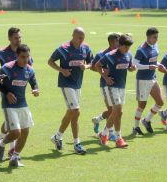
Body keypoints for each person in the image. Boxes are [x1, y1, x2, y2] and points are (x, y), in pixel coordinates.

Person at [48, 27, 93, 155]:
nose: (81, 40)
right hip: (66, 83)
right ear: (72, 36)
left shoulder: (86, 48)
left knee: (71, 112)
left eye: (83, 37)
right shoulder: (63, 48)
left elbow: (92, 62)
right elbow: (50, 61)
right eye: (79, 37)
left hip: (78, 84)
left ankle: (57, 136)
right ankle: (77, 143)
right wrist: (62, 70)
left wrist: (87, 66)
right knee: (76, 111)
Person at [0, 27, 33, 158]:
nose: (18, 39)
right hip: (5, 89)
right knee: (13, 122)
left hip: (19, 90)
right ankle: (7, 146)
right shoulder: (2, 52)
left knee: (11, 121)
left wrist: (32, 86)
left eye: (20, 37)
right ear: (9, 38)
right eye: (15, 37)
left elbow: (29, 70)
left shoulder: (24, 52)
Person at [0, 44, 39, 167]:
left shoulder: (29, 69)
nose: (25, 59)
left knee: (25, 131)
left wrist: (35, 90)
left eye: (27, 57)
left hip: (23, 104)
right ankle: (0, 145)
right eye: (23, 57)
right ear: (17, 56)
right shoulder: (7, 68)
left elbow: (34, 82)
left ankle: (15, 157)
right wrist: (6, 92)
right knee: (16, 133)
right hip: (9, 105)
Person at [95, 34, 136, 148]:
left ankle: (103, 134)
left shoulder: (128, 55)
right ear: (120, 45)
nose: (127, 50)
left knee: (119, 112)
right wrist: (106, 77)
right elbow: (97, 65)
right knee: (117, 109)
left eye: (129, 48)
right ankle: (119, 138)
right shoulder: (110, 55)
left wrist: (132, 68)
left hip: (122, 87)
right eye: (125, 47)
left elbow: (129, 66)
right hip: (111, 87)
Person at [132, 27, 167, 135]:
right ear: (148, 37)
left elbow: (154, 61)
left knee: (160, 101)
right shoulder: (141, 49)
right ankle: (135, 127)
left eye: (157, 37)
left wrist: (159, 64)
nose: (156, 39)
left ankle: (146, 120)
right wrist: (148, 66)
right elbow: (135, 64)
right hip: (142, 80)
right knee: (142, 105)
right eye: (154, 37)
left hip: (152, 78)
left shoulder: (155, 46)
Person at [91, 32, 121, 140]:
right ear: (113, 42)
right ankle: (111, 133)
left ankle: (97, 120)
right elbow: (93, 67)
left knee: (113, 110)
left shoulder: (119, 53)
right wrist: (104, 72)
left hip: (116, 85)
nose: (120, 43)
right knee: (113, 110)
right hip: (105, 84)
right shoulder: (101, 54)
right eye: (118, 41)